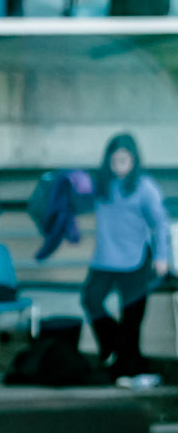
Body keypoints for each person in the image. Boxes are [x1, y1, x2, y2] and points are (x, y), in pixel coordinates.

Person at [82, 133, 169, 388]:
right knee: (90, 300)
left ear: (133, 160)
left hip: (135, 261)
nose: (119, 164)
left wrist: (162, 257)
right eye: (115, 159)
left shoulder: (144, 187)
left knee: (132, 317)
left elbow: (160, 224)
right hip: (104, 259)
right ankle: (113, 348)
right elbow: (77, 197)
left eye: (124, 159)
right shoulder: (101, 186)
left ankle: (128, 368)